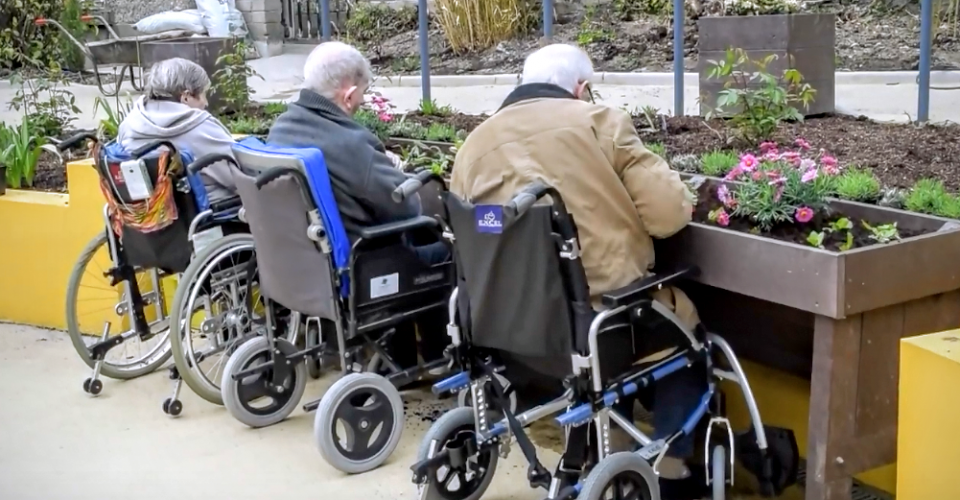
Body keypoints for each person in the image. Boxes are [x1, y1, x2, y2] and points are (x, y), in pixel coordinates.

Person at [450, 43, 704, 484]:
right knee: (683, 333)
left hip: (507, 324)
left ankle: (609, 452)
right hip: (602, 320)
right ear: (581, 88)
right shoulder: (597, 122)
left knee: (601, 350)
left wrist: (520, 221)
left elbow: (482, 224)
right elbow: (669, 215)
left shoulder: (474, 146)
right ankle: (674, 466)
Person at [267, 41, 448, 367]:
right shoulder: (351, 142)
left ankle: (404, 356)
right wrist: (391, 170)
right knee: (445, 248)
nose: (363, 101)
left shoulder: (281, 129)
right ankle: (439, 360)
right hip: (362, 263)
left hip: (300, 266)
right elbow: (407, 208)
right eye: (362, 93)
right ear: (348, 96)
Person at [118, 57, 237, 202]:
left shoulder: (129, 125)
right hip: (212, 212)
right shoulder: (199, 127)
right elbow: (239, 179)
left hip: (149, 214)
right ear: (186, 97)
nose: (205, 103)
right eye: (203, 95)